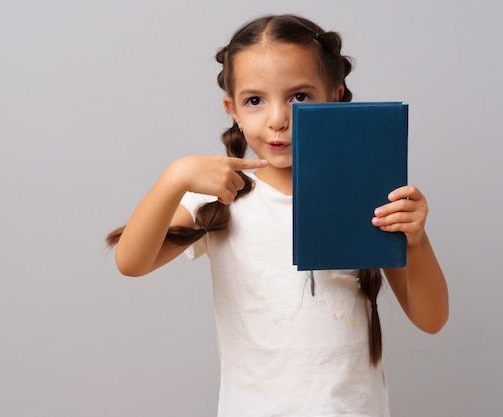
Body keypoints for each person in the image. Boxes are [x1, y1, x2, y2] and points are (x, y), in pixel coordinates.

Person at [106, 14, 448, 417]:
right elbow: (130, 262)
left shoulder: (365, 193)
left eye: (299, 97)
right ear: (231, 108)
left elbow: (431, 319)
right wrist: (174, 177)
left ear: (334, 97)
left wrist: (417, 240)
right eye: (255, 100)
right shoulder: (221, 196)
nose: (278, 119)